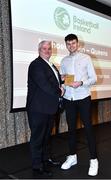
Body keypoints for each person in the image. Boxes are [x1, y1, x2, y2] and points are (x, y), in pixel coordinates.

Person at [60, 34, 99, 176]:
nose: (71, 46)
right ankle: (72, 157)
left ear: (78, 44)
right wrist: (62, 82)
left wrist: (81, 83)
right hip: (69, 98)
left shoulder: (86, 58)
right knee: (71, 129)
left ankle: (94, 160)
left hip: (83, 97)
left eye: (73, 43)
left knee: (88, 128)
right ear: (66, 45)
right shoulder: (63, 60)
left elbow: (94, 78)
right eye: (68, 44)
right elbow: (63, 79)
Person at [26, 40, 64, 177]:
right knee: (38, 138)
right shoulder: (36, 65)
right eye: (44, 48)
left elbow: (52, 80)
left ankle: (46, 160)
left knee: (46, 137)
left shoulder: (50, 65)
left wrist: (62, 79)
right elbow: (44, 84)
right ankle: (37, 167)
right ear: (39, 50)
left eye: (49, 48)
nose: (47, 50)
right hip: (38, 109)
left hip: (49, 108)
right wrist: (60, 91)